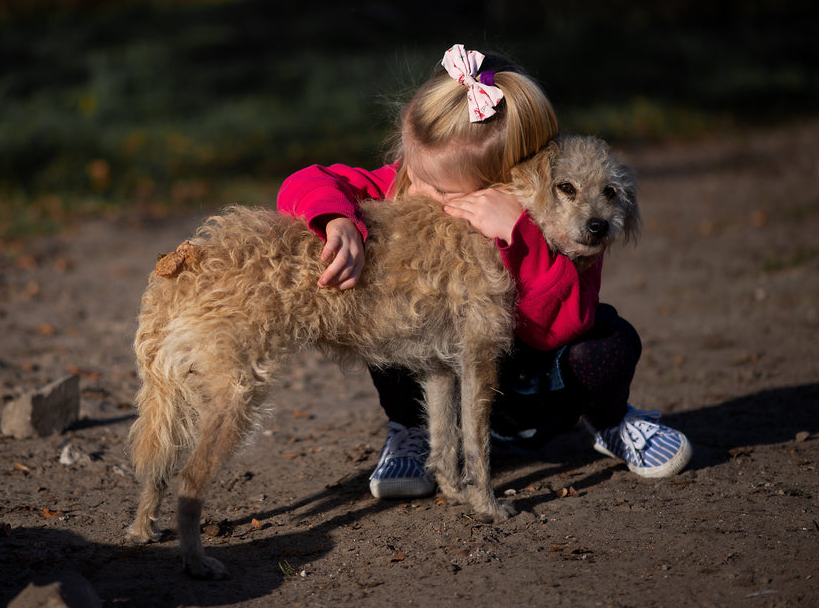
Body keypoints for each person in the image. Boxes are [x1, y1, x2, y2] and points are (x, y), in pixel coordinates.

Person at [277, 44, 692, 500]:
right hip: (442, 380)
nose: (416, 189)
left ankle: (610, 421)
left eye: (435, 186)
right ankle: (414, 431)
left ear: (501, 181)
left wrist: (519, 238)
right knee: (392, 322)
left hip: (532, 394)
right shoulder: (399, 184)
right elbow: (307, 180)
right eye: (414, 171)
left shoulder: (550, 224)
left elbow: (560, 327)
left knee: (609, 342)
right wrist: (336, 218)